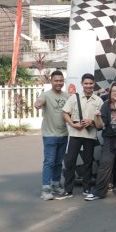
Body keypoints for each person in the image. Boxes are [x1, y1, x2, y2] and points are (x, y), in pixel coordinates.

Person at [57, 73, 103, 199]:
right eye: (86, 83)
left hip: (90, 135)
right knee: (70, 161)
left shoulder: (99, 101)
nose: (88, 86)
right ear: (82, 84)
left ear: (94, 84)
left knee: (88, 162)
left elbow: (101, 122)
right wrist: (73, 124)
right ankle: (68, 190)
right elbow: (65, 113)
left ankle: (87, 188)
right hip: (75, 134)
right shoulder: (74, 97)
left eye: (90, 83)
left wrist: (91, 122)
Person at [84, 81, 116, 202]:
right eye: (113, 91)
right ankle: (98, 191)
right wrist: (97, 117)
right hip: (109, 138)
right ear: (110, 93)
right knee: (105, 164)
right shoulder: (106, 105)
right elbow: (100, 126)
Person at [34, 71, 70, 201]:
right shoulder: (46, 95)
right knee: (49, 162)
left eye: (61, 81)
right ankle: (46, 189)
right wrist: (37, 104)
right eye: (56, 80)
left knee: (59, 162)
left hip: (64, 134)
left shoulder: (66, 96)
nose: (59, 83)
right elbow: (39, 101)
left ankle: (56, 184)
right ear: (51, 81)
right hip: (50, 135)